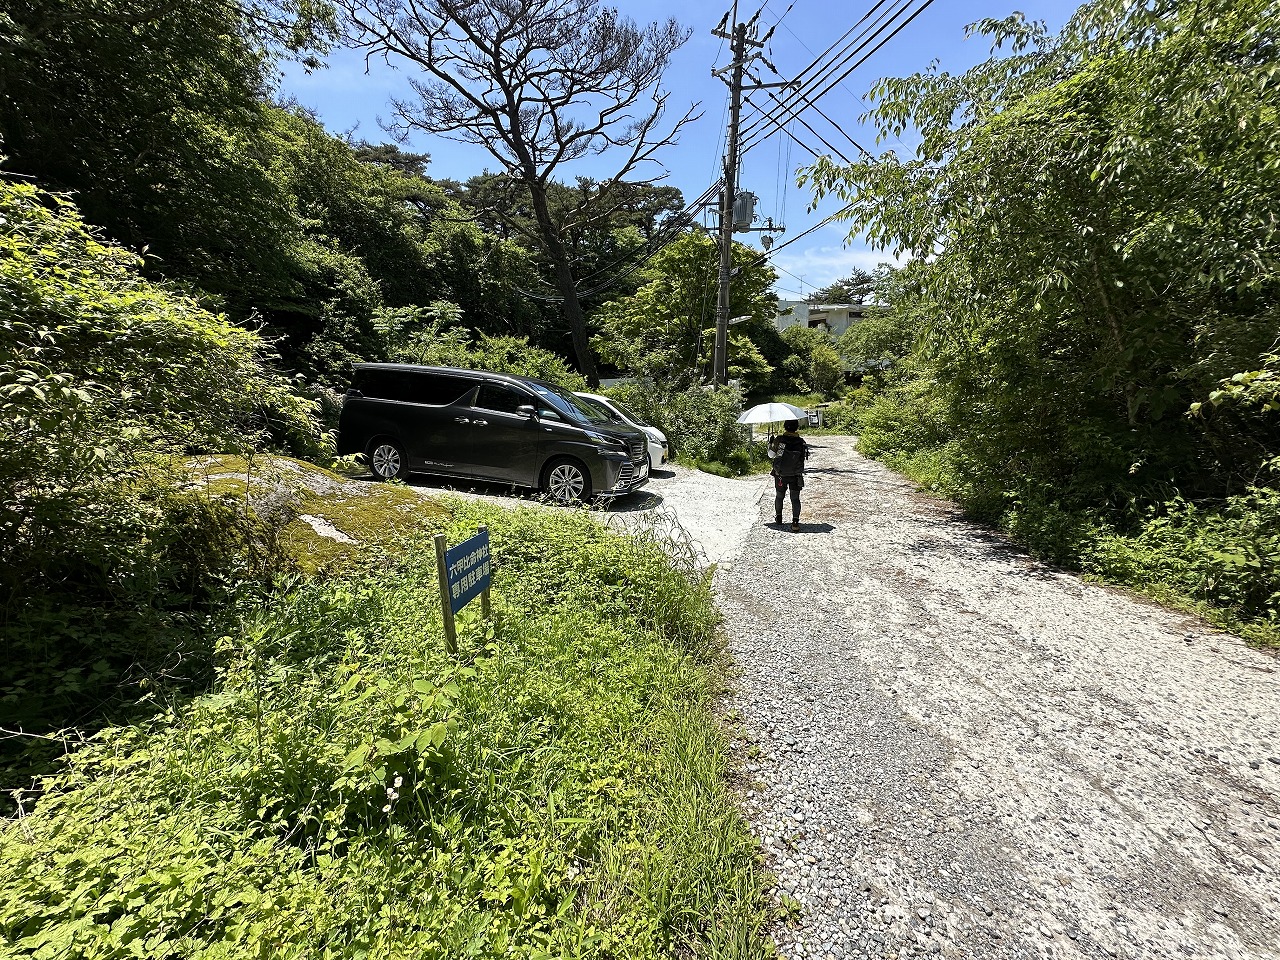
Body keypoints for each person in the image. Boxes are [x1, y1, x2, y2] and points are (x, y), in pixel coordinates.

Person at [767, 419, 810, 531]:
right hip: (796, 474)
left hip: (780, 474)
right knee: (795, 498)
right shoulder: (801, 442)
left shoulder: (780, 440)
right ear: (797, 428)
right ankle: (795, 522)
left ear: (785, 427)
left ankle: (779, 518)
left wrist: (770, 444)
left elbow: (771, 455)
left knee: (779, 496)